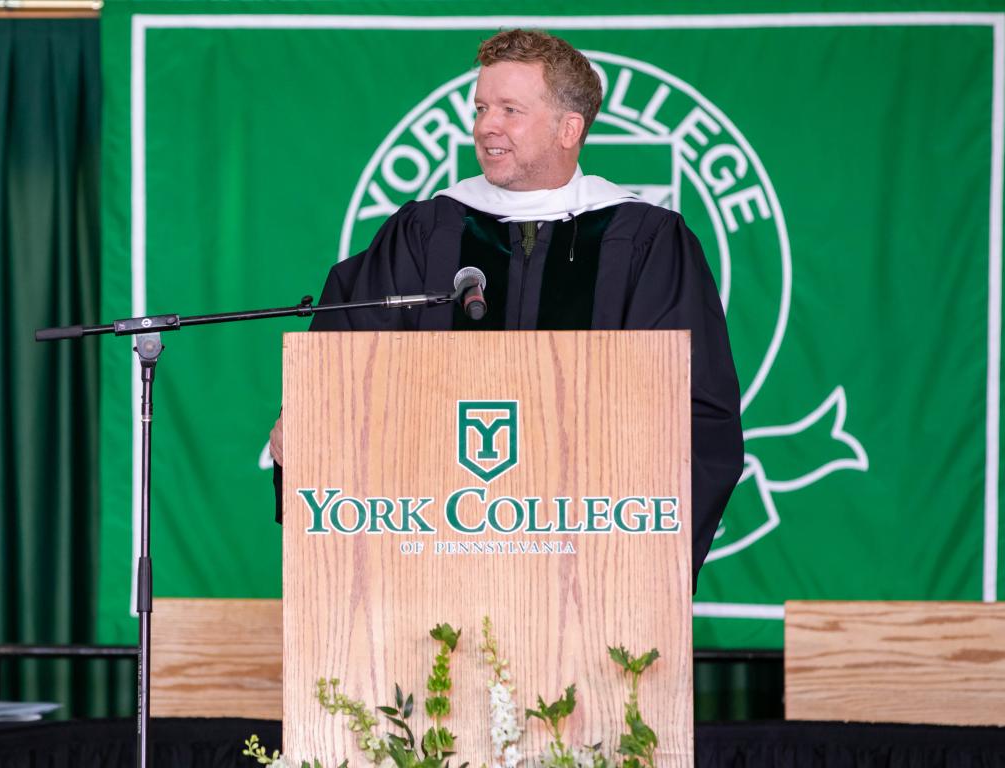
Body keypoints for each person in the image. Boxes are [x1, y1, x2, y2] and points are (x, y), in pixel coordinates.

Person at [270, 29, 743, 591]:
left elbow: (694, 408)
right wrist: (306, 425)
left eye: (510, 110)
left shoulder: (645, 241)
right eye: (481, 108)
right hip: (430, 554)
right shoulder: (427, 232)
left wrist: (642, 568)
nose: (486, 126)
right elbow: (345, 362)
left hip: (589, 563)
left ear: (570, 128)